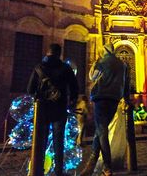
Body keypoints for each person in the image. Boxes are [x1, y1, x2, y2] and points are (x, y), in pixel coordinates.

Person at [27, 43, 78, 176]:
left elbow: (29, 90)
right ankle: (58, 171)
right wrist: (71, 101)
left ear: (47, 52)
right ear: (59, 53)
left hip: (42, 109)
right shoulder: (66, 68)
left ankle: (38, 169)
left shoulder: (39, 67)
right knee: (58, 141)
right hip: (59, 108)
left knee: (40, 140)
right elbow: (74, 88)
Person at [80, 43, 127, 176]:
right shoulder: (122, 64)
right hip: (114, 99)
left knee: (102, 131)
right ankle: (92, 162)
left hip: (101, 97)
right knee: (101, 131)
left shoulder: (102, 61)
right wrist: (126, 99)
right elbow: (126, 83)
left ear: (104, 50)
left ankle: (107, 166)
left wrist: (95, 63)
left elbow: (92, 76)